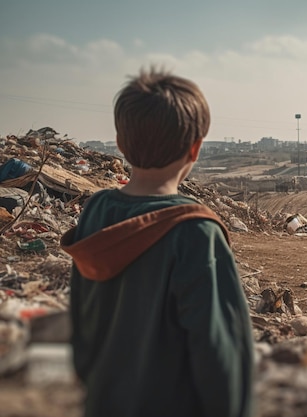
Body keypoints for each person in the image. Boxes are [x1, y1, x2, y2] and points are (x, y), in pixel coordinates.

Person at [61, 68, 254, 417]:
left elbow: (82, 308)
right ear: (195, 149)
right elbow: (219, 348)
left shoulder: (96, 210)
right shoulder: (196, 231)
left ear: (120, 145)